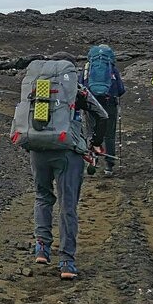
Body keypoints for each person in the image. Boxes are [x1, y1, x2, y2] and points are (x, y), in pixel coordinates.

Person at [25, 54, 109, 280]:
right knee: (67, 204)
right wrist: (95, 143)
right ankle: (66, 261)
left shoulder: (38, 87)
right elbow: (102, 115)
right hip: (67, 152)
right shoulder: (76, 90)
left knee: (42, 196)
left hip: (38, 150)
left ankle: (42, 247)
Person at [82, 44, 126, 176]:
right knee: (109, 134)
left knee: (91, 132)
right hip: (109, 103)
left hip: (91, 104)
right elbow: (120, 90)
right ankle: (109, 166)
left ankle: (92, 161)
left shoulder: (88, 68)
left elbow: (81, 85)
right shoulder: (112, 68)